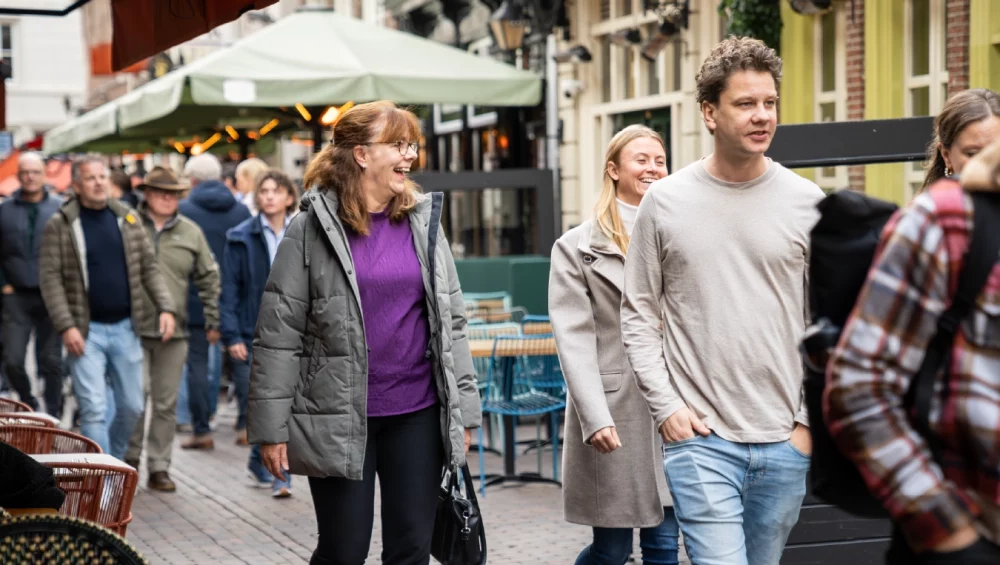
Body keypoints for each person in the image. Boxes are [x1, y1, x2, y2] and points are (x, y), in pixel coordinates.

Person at [247, 100, 482, 565]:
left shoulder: (423, 221)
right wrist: (271, 430)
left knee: (412, 548)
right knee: (343, 550)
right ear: (360, 154)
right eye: (397, 145)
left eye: (411, 144)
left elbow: (451, 320)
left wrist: (465, 412)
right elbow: (279, 333)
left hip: (417, 410)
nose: (409, 155)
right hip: (337, 414)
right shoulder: (310, 229)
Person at [620, 37, 825, 565]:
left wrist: (806, 423)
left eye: (770, 102)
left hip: (785, 439)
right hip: (702, 440)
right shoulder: (665, 202)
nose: (762, 116)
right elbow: (639, 313)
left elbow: (830, 323)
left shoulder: (808, 202)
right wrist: (667, 408)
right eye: (745, 103)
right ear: (710, 113)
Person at [826, 106, 1000, 564]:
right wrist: (947, 535)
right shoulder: (943, 219)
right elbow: (858, 383)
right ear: (947, 155)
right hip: (970, 525)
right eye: (974, 150)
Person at [550, 125, 679, 565]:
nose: (653, 168)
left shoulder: (680, 234)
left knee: (664, 543)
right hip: (614, 409)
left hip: (675, 403)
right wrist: (593, 415)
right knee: (612, 549)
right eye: (641, 159)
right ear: (613, 170)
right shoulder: (574, 248)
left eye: (659, 160)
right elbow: (574, 339)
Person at [39, 156, 176, 459]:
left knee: (133, 405)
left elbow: (148, 268)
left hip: (127, 328)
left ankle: (111, 465)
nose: (99, 182)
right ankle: (100, 479)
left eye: (103, 176)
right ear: (76, 185)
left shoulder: (127, 218)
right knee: (94, 409)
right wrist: (66, 325)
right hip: (86, 333)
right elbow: (50, 280)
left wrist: (166, 307)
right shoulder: (61, 224)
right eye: (91, 178)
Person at [124, 167, 220, 492]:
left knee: (165, 404)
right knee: (134, 400)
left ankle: (159, 467)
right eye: (161, 192)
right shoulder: (127, 225)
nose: (168, 198)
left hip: (174, 332)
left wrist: (212, 319)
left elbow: (209, 277)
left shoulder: (191, 231)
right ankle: (128, 462)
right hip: (130, 328)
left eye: (174, 193)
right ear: (146, 193)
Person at [220, 169, 298, 497]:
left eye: (275, 191)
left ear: (289, 197)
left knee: (288, 403)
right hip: (254, 331)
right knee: (261, 402)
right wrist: (232, 335)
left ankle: (270, 467)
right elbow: (230, 289)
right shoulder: (240, 236)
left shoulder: (301, 232)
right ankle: (275, 471)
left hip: (294, 331)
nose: (268, 196)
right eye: (263, 191)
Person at [178, 153, 250, 450]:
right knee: (243, 360)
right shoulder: (241, 212)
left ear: (192, 180)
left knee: (197, 365)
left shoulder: (182, 211)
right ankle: (246, 426)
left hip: (195, 299)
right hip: (236, 298)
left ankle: (202, 430)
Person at [0, 152, 64, 415]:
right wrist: (3, 284)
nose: (30, 177)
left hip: (51, 294)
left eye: (35, 172)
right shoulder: (4, 211)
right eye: (25, 172)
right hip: (15, 295)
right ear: (18, 176)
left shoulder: (59, 208)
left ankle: (53, 413)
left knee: (51, 360)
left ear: (44, 174)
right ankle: (29, 403)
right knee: (13, 360)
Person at [920, 88, 1000, 190]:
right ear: (946, 156)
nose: (987, 164)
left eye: (997, 152)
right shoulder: (930, 204)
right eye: (973, 153)